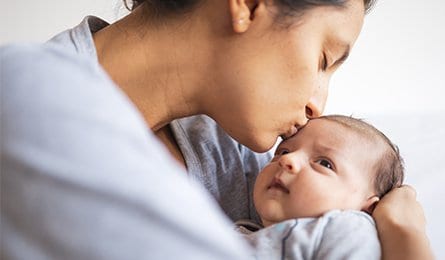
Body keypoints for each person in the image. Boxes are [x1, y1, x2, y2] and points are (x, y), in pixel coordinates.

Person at [0, 0, 432, 259]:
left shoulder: (240, 155)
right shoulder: (28, 94)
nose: (317, 105)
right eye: (323, 59)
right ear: (247, 5)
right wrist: (406, 237)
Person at [235, 115, 403, 259]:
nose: (287, 160)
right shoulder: (240, 230)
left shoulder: (346, 228)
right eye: (284, 151)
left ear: (367, 208)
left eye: (324, 163)